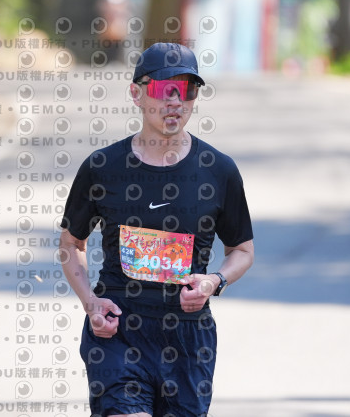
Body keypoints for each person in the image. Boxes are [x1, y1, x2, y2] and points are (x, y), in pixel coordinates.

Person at [59, 42, 254, 417]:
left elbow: (242, 251)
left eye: (187, 90)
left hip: (187, 340)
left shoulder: (219, 171)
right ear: (136, 94)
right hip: (119, 329)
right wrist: (90, 302)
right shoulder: (103, 168)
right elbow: (71, 244)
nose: (175, 102)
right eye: (165, 89)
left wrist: (214, 281)